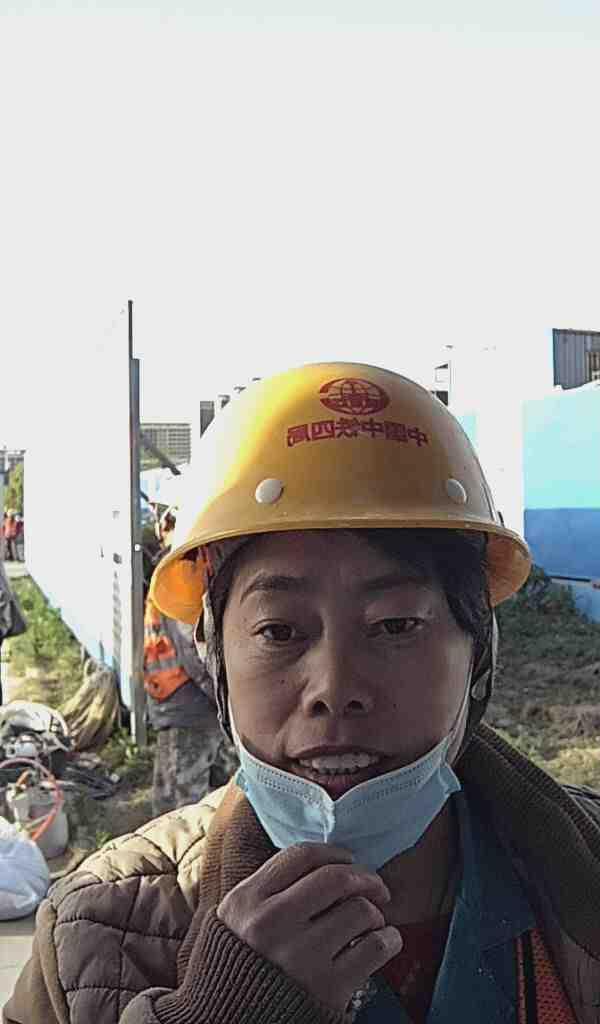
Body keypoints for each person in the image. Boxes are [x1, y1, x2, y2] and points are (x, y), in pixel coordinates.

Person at [5, 361, 599, 1024]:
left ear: (479, 650)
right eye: (279, 630)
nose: (335, 690)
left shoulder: (582, 868)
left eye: (396, 625)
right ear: (216, 655)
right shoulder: (92, 936)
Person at [143, 591, 239, 815]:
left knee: (169, 791)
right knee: (188, 799)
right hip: (192, 707)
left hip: (170, 702)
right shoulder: (183, 589)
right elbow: (195, 654)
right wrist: (224, 699)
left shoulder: (165, 587)